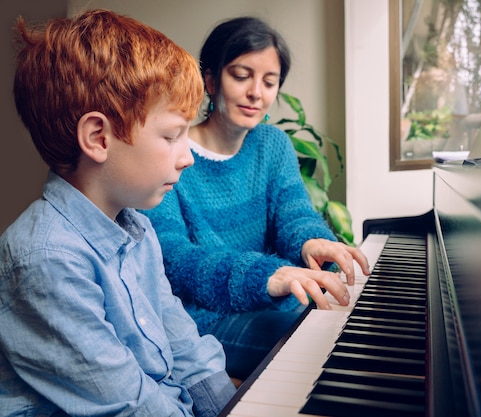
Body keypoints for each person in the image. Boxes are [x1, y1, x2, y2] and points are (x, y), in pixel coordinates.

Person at [0, 9, 237, 417]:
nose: (187, 158)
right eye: (171, 135)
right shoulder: (47, 258)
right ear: (98, 137)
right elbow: (128, 403)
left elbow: (185, 346)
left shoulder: (137, 228)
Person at [143, 16, 370, 382]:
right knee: (327, 345)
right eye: (241, 75)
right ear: (211, 79)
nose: (256, 93)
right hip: (205, 319)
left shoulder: (272, 144)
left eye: (269, 82)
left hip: (273, 300)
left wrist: (312, 240)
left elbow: (294, 214)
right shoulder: (172, 151)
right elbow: (172, 259)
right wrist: (267, 276)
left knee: (349, 321)